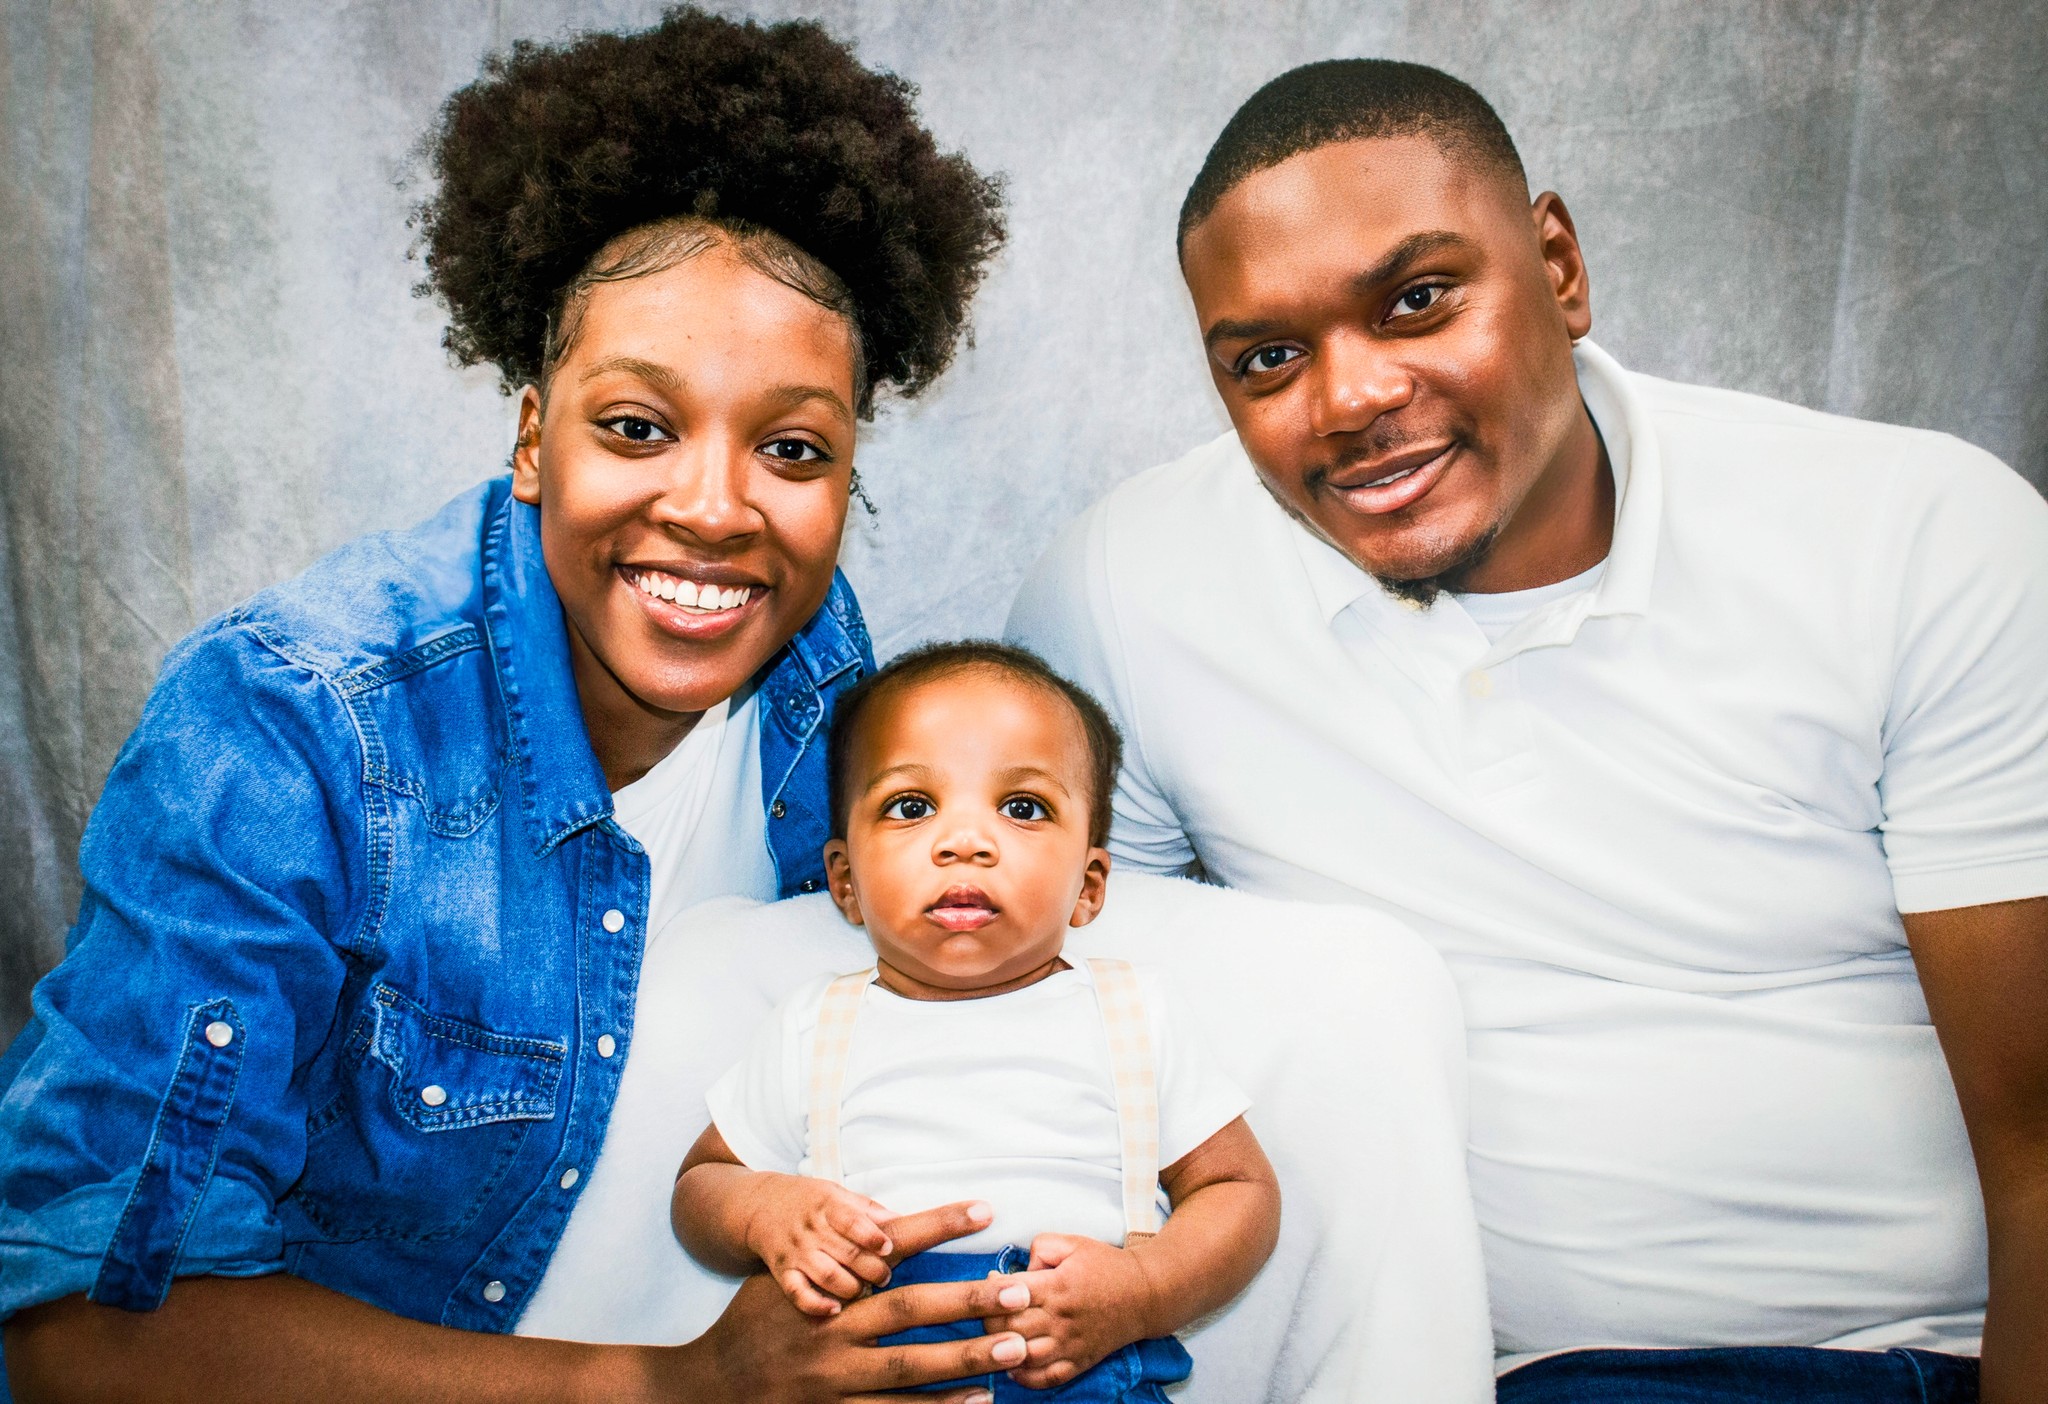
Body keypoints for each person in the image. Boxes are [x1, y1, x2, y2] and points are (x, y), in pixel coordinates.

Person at [0, 10, 1028, 1402]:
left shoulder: (832, 690)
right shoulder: (291, 724)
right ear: (534, 435)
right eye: (637, 427)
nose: (717, 512)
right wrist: (670, 1390)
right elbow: (77, 1334)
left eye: (792, 447)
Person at [1006, 58, 2048, 1404]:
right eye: (1269, 358)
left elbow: (2042, 1145)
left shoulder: (1919, 538)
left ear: (1557, 265)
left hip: (1904, 1359)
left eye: (1418, 301)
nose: (1353, 399)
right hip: (1454, 1371)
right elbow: (1073, 1028)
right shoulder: (1127, 590)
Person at [673, 642, 1281, 1401]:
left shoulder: (1131, 1011)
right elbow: (703, 1185)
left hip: (1083, 1359)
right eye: (911, 807)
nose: (964, 841)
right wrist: (768, 1212)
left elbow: (1239, 1188)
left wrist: (1142, 1287)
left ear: (1088, 886)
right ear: (845, 881)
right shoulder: (815, 1024)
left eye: (1022, 809)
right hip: (867, 1363)